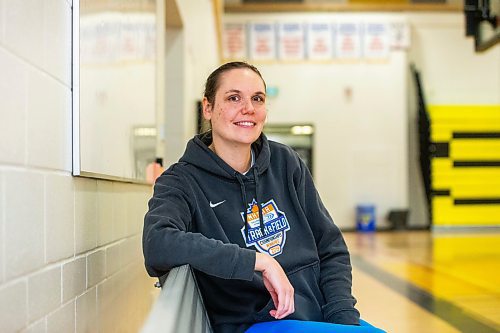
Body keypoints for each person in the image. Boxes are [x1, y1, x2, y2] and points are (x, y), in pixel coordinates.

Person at [143, 62, 385, 333]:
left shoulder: (286, 162)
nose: (248, 108)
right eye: (234, 98)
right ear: (208, 108)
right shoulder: (182, 181)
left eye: (257, 99)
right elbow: (158, 241)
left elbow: (330, 247)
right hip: (256, 325)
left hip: (319, 318)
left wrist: (343, 319)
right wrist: (258, 261)